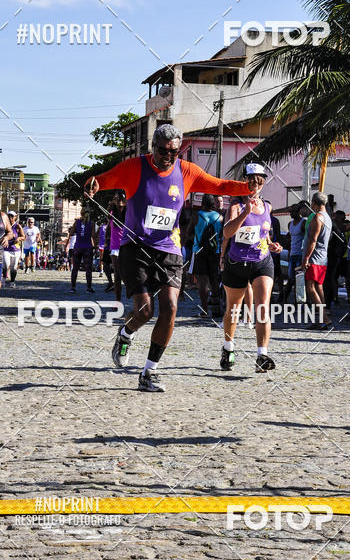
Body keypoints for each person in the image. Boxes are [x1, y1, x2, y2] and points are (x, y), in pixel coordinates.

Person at [84, 124, 250, 392]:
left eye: (174, 152)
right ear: (153, 147)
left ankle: (150, 372)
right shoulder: (135, 167)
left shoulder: (187, 171)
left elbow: (218, 185)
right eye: (163, 151)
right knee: (144, 310)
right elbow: (103, 180)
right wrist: (93, 185)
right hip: (135, 248)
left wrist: (246, 187)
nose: (168, 157)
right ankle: (126, 334)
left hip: (168, 249)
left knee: (171, 307)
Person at [220, 164, 283, 372]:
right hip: (237, 263)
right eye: (252, 180)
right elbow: (227, 233)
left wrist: (273, 245)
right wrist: (244, 213)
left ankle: (262, 356)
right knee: (234, 310)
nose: (256, 185)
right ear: (245, 181)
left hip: (262, 262)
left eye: (260, 180)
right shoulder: (236, 206)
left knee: (263, 306)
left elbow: (264, 234)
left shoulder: (267, 207)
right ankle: (228, 348)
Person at [299, 191, 332, 328]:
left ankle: (324, 317)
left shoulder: (318, 217)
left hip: (315, 258)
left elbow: (313, 239)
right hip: (322, 257)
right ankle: (319, 319)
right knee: (318, 287)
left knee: (310, 287)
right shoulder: (328, 217)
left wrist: (306, 258)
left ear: (314, 203)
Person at [190, 194, 223, 319]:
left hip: (199, 251)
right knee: (214, 280)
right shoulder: (220, 217)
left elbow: (189, 232)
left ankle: (204, 310)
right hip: (215, 252)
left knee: (202, 282)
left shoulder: (196, 215)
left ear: (202, 203)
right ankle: (216, 309)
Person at [323, 210, 347, 308]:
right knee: (331, 279)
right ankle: (331, 299)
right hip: (334, 255)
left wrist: (337, 254)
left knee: (329, 279)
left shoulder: (332, 228)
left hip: (332, 256)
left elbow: (342, 244)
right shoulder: (334, 228)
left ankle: (329, 301)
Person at [284, 204, 306, 302]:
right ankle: (285, 299)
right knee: (291, 278)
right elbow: (290, 239)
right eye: (290, 212)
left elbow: (307, 238)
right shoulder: (290, 224)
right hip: (292, 254)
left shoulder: (303, 223)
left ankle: (300, 301)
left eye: (293, 212)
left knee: (299, 279)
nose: (291, 214)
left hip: (300, 254)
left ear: (298, 212)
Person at [107, 191, 126, 302]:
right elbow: (108, 218)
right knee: (117, 275)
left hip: (127, 245)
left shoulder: (129, 212)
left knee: (128, 274)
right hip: (115, 247)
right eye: (116, 198)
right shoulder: (111, 213)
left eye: (121, 198)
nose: (118, 200)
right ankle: (117, 300)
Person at [70, 207, 95, 293]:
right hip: (87, 247)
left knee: (75, 268)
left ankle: (73, 287)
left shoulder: (77, 222)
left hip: (78, 247)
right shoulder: (91, 223)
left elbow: (71, 233)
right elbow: (93, 235)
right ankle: (89, 288)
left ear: (81, 213)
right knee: (88, 268)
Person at [3, 210, 24, 287]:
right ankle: (3, 280)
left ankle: (12, 282)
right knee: (6, 264)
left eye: (12, 216)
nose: (10, 218)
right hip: (6, 249)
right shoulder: (4, 225)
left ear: (15, 217)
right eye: (9, 216)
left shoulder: (18, 226)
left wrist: (18, 238)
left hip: (16, 249)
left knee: (14, 267)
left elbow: (23, 237)